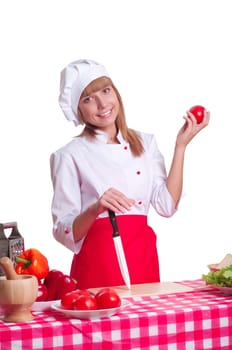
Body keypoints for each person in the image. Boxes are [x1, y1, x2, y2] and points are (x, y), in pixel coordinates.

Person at [50, 59, 210, 289]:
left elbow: (166, 206)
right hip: (97, 265)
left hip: (142, 257)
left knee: (147, 324)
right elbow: (62, 230)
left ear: (116, 92)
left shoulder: (145, 143)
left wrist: (180, 146)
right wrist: (96, 208)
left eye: (106, 91)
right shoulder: (69, 155)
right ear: (78, 110)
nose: (102, 103)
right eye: (88, 99)